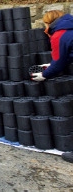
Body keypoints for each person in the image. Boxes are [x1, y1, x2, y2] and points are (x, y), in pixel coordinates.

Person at [31, 10, 73, 164]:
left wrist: (45, 75)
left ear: (48, 23)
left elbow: (60, 60)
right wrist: (51, 65)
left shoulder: (58, 35)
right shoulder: (69, 28)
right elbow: (68, 54)